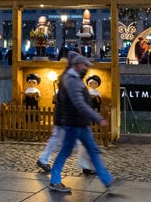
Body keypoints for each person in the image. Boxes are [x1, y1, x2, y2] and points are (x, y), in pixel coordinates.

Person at [48, 52, 117, 193]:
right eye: (84, 65)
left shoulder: (75, 78)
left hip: (81, 122)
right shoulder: (71, 80)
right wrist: (97, 117)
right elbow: (79, 103)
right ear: (77, 65)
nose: (86, 68)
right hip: (73, 123)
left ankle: (107, 179)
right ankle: (55, 181)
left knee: (93, 150)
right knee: (65, 152)